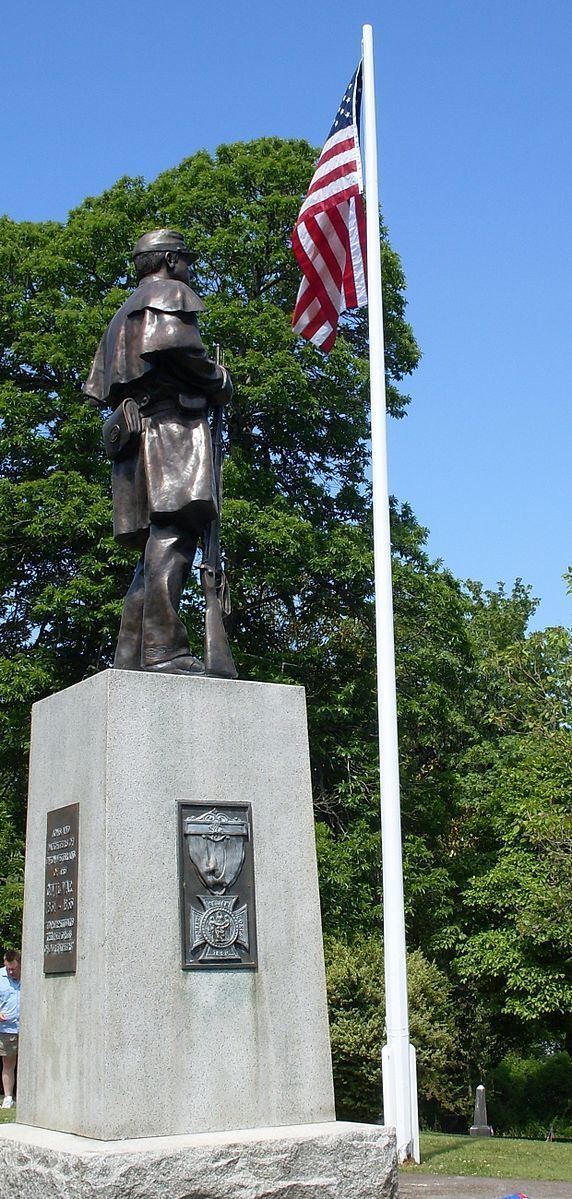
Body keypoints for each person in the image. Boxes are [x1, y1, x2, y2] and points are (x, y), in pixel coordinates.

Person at [83, 228, 236, 677]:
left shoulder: (120, 316)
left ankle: (131, 653)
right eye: (185, 260)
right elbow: (178, 350)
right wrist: (219, 379)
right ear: (169, 259)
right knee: (174, 537)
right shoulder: (168, 293)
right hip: (170, 431)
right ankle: (165, 650)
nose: (189, 269)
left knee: (156, 546)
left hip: (136, 437)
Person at [0, 950, 21, 1109]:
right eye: (8, 969)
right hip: (7, 1029)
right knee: (8, 1063)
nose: (11, 972)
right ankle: (8, 1097)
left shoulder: (32, 973)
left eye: (13, 968)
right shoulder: (0, 977)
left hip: (29, 1028)